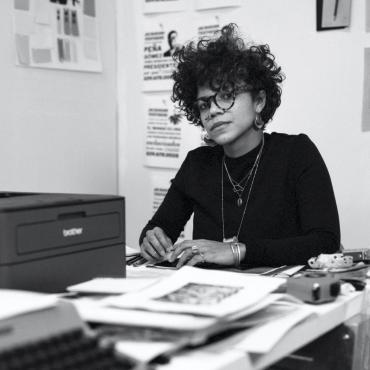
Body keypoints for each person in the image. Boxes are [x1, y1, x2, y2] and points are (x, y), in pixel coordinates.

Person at [140, 23, 340, 269]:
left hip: (279, 297)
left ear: (259, 101)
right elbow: (158, 229)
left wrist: (238, 251)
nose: (212, 110)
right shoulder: (197, 163)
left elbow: (325, 242)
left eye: (225, 95)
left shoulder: (296, 153)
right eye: (204, 104)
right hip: (206, 295)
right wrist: (152, 240)